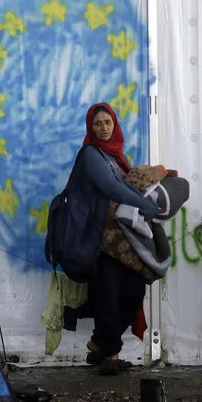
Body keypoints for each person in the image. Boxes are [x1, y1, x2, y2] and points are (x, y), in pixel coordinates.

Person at [68, 102, 159, 375]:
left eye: (108, 122)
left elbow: (123, 185)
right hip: (98, 241)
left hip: (120, 241)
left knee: (132, 291)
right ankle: (111, 355)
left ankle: (99, 344)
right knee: (108, 297)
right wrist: (149, 207)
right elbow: (112, 187)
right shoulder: (90, 154)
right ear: (90, 127)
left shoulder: (117, 157)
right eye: (98, 123)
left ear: (115, 124)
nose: (103, 128)